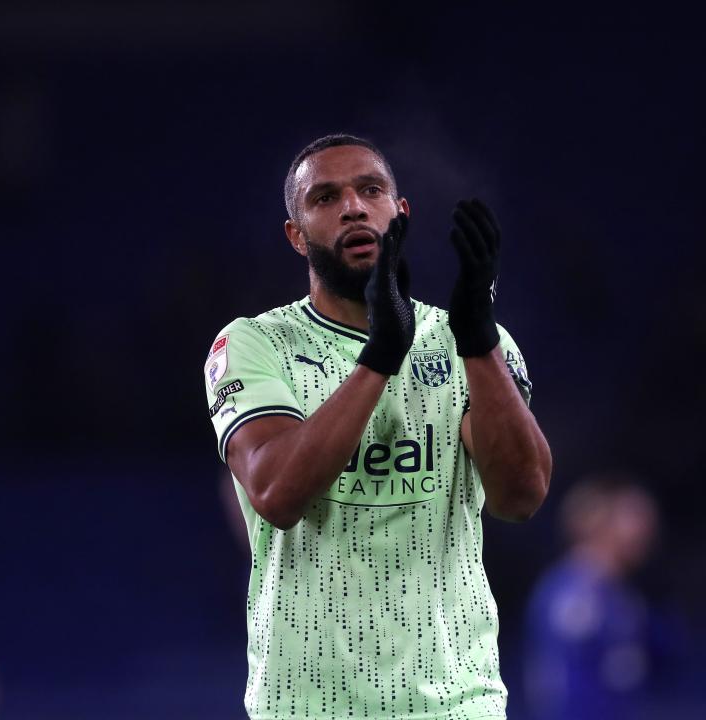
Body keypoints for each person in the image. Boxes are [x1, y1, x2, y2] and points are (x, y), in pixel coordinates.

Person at [203, 134, 552, 720]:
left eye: (371, 190)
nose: (353, 207)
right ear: (296, 234)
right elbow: (276, 493)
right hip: (309, 707)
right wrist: (380, 358)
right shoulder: (254, 344)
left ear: (400, 212)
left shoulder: (465, 343)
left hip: (457, 703)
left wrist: (480, 340)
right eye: (325, 197)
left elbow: (521, 496)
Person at [523, 475, 661, 720]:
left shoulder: (621, 595)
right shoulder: (569, 593)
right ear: (602, 525)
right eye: (634, 518)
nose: (646, 529)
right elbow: (558, 684)